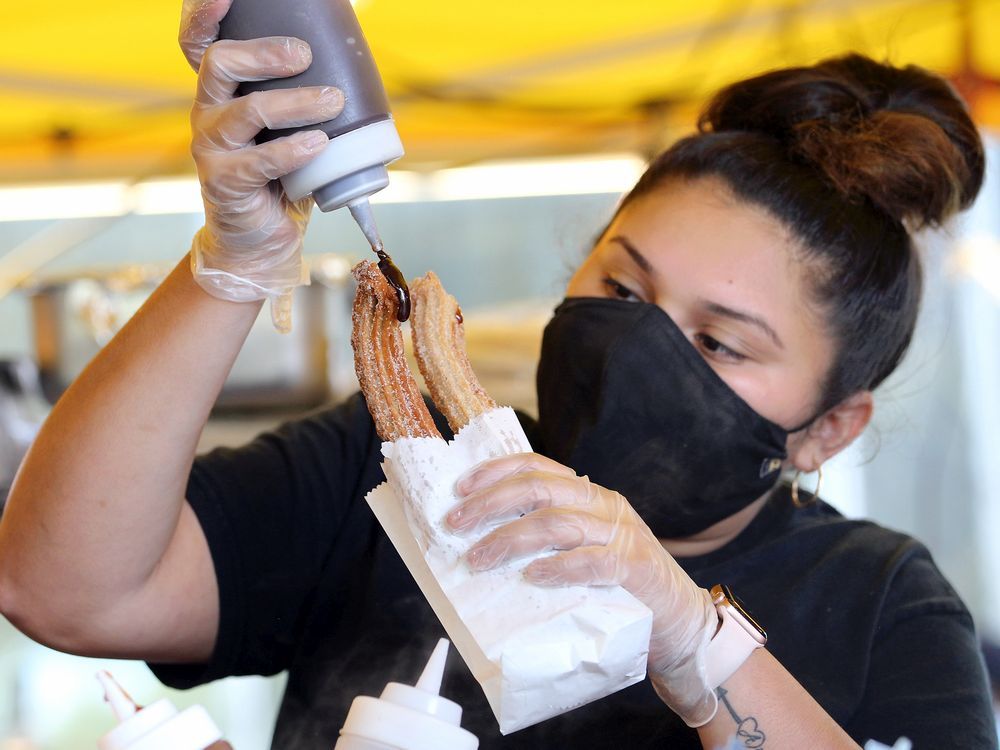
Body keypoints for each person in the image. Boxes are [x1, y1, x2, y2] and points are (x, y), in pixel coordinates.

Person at [0, 2, 995, 748]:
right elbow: (64, 591)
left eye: (719, 345)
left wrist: (691, 637)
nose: (641, 349)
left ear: (830, 429)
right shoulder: (395, 466)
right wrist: (230, 264)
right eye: (625, 288)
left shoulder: (877, 602)